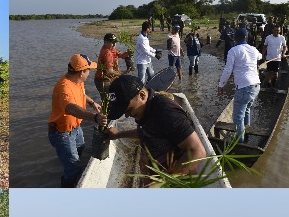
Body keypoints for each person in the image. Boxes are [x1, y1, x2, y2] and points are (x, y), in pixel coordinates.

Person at [102, 74, 209, 177]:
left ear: (142, 95)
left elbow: (197, 151)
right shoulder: (144, 110)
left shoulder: (166, 112)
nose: (127, 115)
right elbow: (147, 132)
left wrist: (163, 181)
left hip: (175, 181)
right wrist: (119, 134)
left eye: (129, 109)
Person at [49, 54, 103, 187]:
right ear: (81, 72)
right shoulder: (64, 88)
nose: (90, 72)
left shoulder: (77, 81)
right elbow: (71, 108)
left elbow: (82, 94)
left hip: (76, 129)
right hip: (62, 133)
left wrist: (92, 102)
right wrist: (94, 117)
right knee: (73, 169)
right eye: (88, 70)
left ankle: (68, 164)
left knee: (80, 149)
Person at [217, 28, 263, 143]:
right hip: (256, 86)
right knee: (247, 110)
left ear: (234, 38)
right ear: (246, 38)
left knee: (237, 117)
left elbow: (227, 70)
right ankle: (246, 133)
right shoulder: (253, 49)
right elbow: (260, 57)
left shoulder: (233, 50)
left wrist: (221, 85)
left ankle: (240, 142)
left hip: (244, 87)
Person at [95, 33, 126, 102]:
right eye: (112, 42)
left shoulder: (110, 48)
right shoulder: (107, 53)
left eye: (115, 42)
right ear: (106, 42)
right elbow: (109, 71)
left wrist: (127, 54)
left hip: (107, 79)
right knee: (110, 101)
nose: (114, 45)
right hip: (103, 81)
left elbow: (120, 55)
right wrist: (121, 73)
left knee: (112, 99)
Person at [263, 24, 287, 89]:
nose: (276, 32)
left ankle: (274, 84)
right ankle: (268, 84)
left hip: (277, 58)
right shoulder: (268, 37)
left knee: (276, 73)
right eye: (275, 30)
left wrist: (283, 53)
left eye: (278, 30)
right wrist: (263, 55)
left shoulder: (282, 38)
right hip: (269, 58)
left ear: (280, 31)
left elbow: (285, 47)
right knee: (269, 72)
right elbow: (265, 47)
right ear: (272, 30)